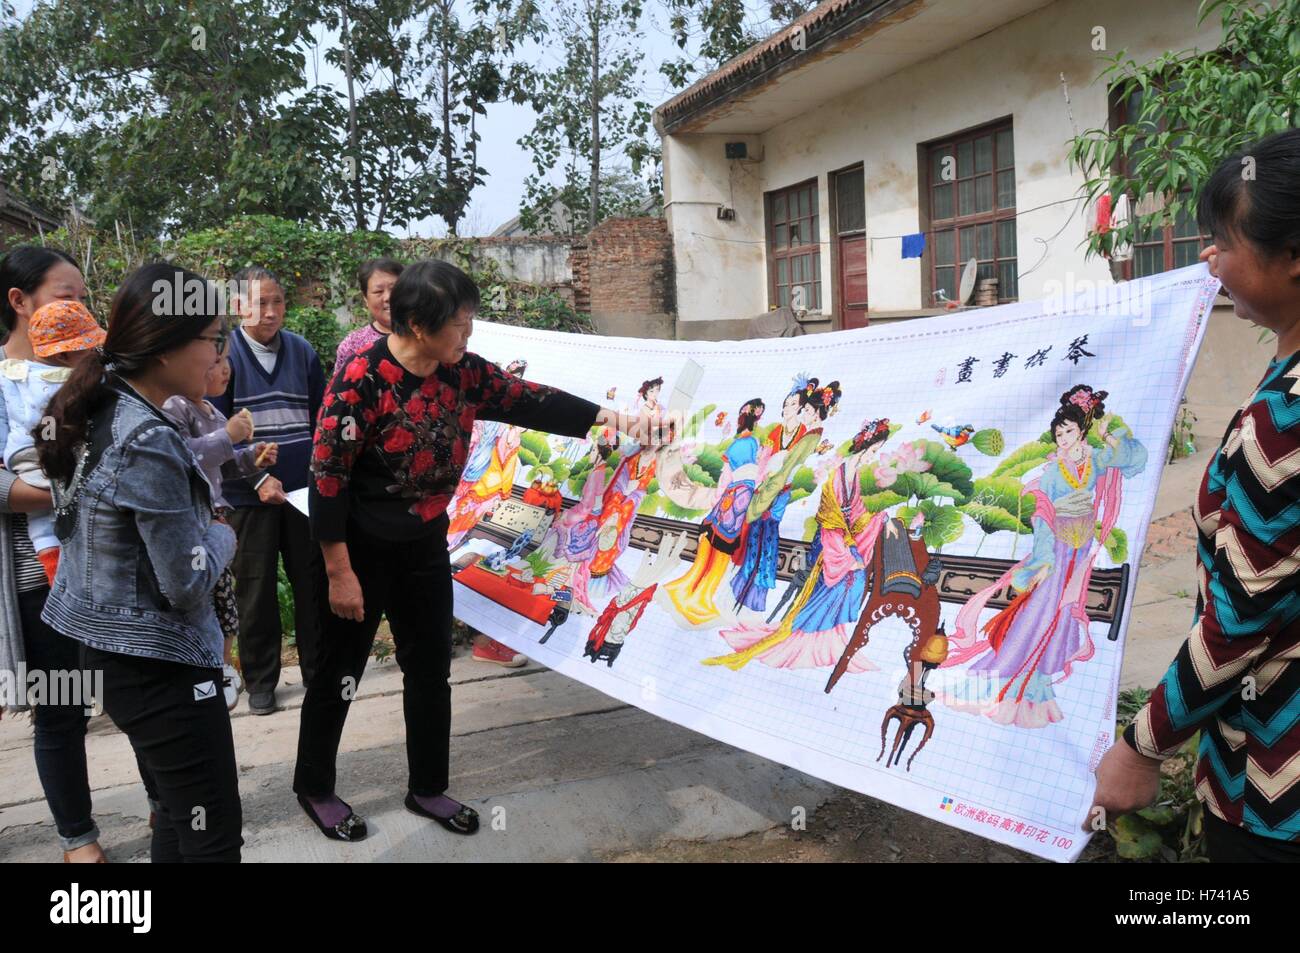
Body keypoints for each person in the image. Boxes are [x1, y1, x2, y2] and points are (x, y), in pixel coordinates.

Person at [295, 259, 644, 841]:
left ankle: (427, 786)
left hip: (425, 546)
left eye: (469, 321)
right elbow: (327, 476)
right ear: (415, 323)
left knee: (430, 672)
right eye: (458, 324)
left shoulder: (460, 374)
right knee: (339, 673)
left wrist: (613, 417)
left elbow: (528, 399)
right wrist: (338, 571)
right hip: (357, 549)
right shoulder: (360, 378)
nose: (469, 334)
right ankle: (315, 787)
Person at [1091, 128, 1300, 861]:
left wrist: (1143, 744)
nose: (1209, 257)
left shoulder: (1287, 419)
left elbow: (1239, 621)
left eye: (1224, 240)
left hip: (1273, 788)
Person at [37, 262, 242, 862]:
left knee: (179, 817)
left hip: (110, 651)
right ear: (164, 347)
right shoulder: (146, 437)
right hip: (161, 664)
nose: (217, 356)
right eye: (211, 340)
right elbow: (185, 582)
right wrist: (224, 532)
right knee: (212, 836)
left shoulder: (97, 406)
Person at [0, 245, 105, 863]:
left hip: (111, 568)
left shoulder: (89, 370)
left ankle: (165, 802)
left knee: (136, 696)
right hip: (41, 578)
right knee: (63, 711)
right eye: (68, 296)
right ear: (19, 302)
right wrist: (72, 491)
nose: (82, 308)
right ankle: (79, 840)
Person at [212, 266, 325, 715]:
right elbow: (215, 429)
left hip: (301, 494)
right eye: (260, 303)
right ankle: (261, 681)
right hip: (247, 497)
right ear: (238, 306)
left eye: (277, 301)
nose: (272, 312)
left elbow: (322, 420)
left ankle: (320, 672)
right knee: (254, 592)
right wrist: (258, 479)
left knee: (312, 584)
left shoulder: (301, 351)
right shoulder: (224, 355)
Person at [163, 354, 279, 710]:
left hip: (216, 518)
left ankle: (223, 667)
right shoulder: (175, 407)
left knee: (225, 601)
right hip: (192, 521)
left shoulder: (212, 412)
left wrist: (251, 457)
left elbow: (224, 469)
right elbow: (184, 457)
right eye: (213, 361)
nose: (225, 369)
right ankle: (200, 671)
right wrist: (227, 436)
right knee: (197, 602)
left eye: (226, 360)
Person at [0, 300, 105, 584]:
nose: (94, 353)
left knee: (42, 520)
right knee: (60, 511)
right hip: (48, 456)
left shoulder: (14, 373)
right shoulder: (66, 382)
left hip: (23, 457)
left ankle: (55, 571)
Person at [334, 258, 403, 368]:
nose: (388, 297)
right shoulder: (352, 345)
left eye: (394, 289)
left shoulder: (425, 336)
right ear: (365, 298)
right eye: (378, 291)